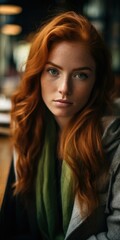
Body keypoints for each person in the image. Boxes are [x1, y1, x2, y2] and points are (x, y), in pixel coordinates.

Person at [0, 10, 120, 240]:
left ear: (96, 81)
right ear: (37, 74)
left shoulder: (115, 144)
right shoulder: (29, 126)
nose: (64, 88)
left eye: (80, 75)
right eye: (53, 71)